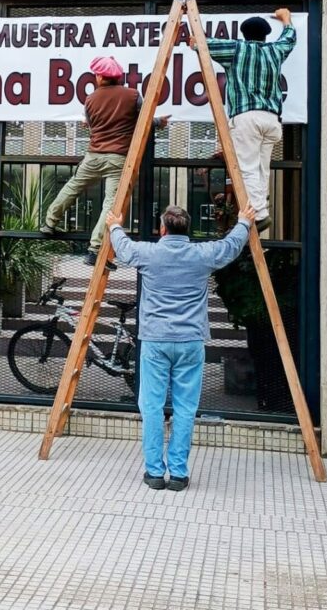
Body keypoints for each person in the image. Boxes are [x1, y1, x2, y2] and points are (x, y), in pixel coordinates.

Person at [105, 201, 253, 491]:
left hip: (155, 340)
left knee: (151, 406)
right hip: (190, 342)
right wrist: (245, 221)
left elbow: (123, 247)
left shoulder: (149, 253)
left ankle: (154, 472)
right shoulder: (201, 255)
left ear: (162, 229)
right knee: (186, 408)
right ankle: (180, 473)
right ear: (188, 229)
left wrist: (114, 224)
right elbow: (231, 246)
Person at [41, 55, 168, 265]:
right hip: (118, 158)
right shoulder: (132, 95)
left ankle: (49, 222)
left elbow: (90, 124)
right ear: (117, 76)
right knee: (111, 203)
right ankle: (95, 248)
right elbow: (143, 121)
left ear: (100, 76)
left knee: (73, 186)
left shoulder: (90, 99)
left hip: (93, 155)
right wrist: (159, 122)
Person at [190, 8, 296, 233]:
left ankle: (257, 215)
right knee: (261, 168)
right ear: (265, 35)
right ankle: (262, 210)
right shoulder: (274, 51)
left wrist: (194, 42)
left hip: (247, 116)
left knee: (247, 168)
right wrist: (286, 19)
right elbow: (289, 38)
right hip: (272, 119)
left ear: (244, 34)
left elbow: (202, 44)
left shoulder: (236, 48)